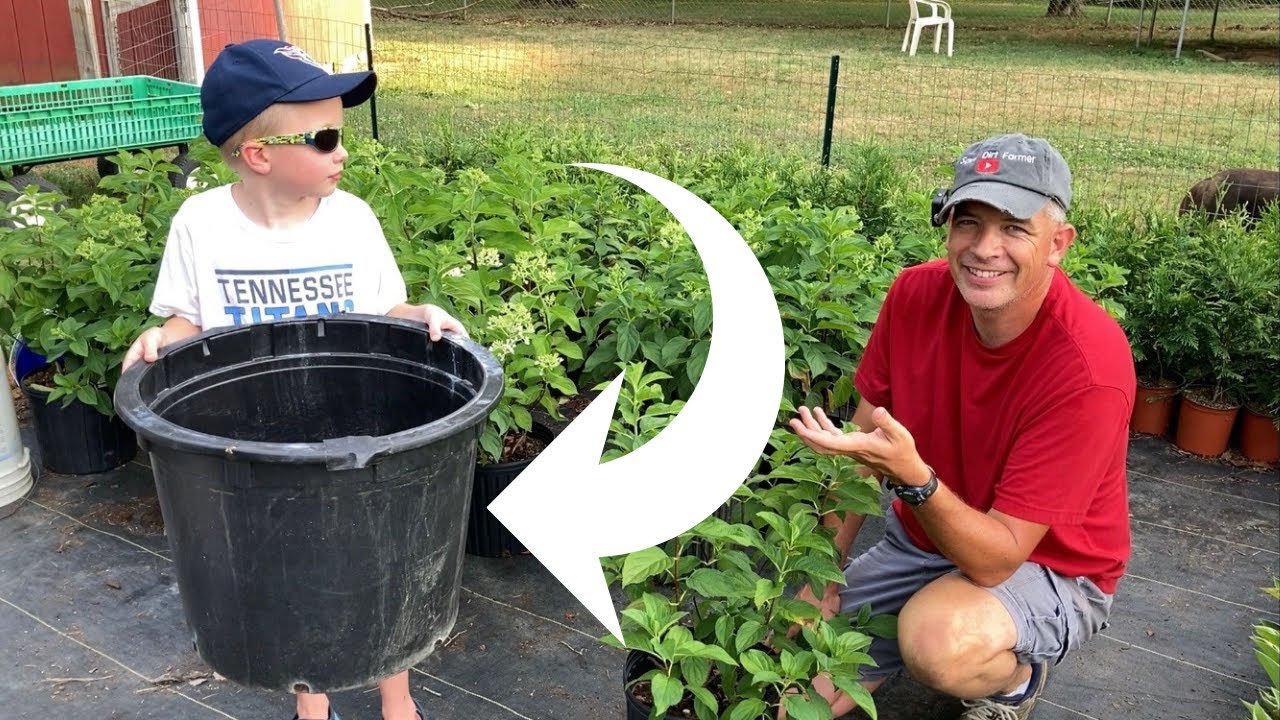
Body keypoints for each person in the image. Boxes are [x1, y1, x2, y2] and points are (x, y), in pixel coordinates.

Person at [122, 39, 466, 720]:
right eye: (326, 135)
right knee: (291, 574)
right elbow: (190, 320)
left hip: (355, 432)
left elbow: (382, 314)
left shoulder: (353, 221)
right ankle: (314, 701)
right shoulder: (202, 225)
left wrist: (421, 313)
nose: (343, 151)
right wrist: (162, 338)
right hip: (257, 444)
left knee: (378, 564)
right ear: (259, 155)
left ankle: (397, 698)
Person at [788, 133, 1134, 719]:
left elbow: (998, 559)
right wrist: (824, 571)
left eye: (1014, 228)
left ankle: (1014, 681)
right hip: (924, 542)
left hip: (1050, 567)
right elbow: (861, 443)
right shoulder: (915, 295)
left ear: (1058, 244)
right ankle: (913, 610)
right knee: (785, 669)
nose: (984, 248)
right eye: (968, 222)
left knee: (934, 642)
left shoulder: (1087, 364)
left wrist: (914, 479)